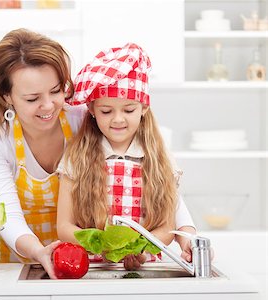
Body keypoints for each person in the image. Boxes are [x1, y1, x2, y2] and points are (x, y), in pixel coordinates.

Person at [56, 43, 196, 270]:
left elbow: (166, 226)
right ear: (91, 110)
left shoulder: (161, 159)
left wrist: (140, 249)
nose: (118, 119)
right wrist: (101, 244)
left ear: (144, 108)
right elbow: (64, 226)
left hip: (148, 269)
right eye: (106, 111)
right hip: (90, 269)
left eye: (128, 110)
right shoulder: (76, 158)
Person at [0, 28, 86, 278]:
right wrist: (39, 251)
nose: (48, 105)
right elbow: (6, 212)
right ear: (7, 97)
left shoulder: (81, 119)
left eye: (56, 91)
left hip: (79, 262)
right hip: (14, 265)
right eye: (33, 98)